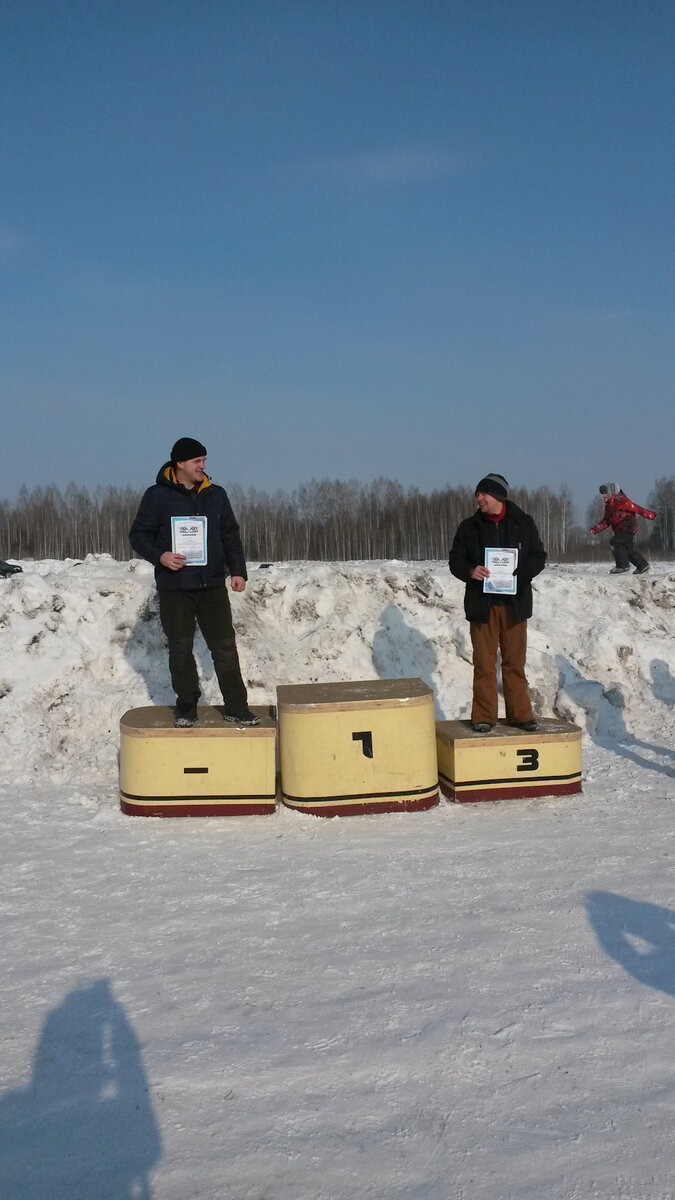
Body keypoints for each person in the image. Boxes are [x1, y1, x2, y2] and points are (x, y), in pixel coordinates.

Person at [129, 437, 259, 728]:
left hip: (212, 585)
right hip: (174, 587)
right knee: (180, 649)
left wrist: (238, 570)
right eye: (197, 461)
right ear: (180, 464)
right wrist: (160, 556)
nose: (203, 466)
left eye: (204, 461)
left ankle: (237, 707)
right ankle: (187, 707)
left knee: (225, 646)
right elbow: (138, 536)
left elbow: (230, 535)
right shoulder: (157, 496)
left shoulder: (216, 495)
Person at [449, 473, 547, 734]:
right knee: (483, 664)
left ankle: (521, 715)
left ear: (498, 496)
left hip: (515, 605)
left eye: (483, 494)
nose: (478, 498)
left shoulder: (523, 523)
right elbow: (455, 561)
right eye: (477, 495)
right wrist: (470, 571)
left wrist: (522, 573)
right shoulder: (468, 527)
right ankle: (484, 716)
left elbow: (539, 556)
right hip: (482, 606)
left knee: (515, 663)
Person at [589, 483, 656, 574]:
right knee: (627, 549)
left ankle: (622, 565)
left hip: (627, 527)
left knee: (615, 542)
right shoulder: (608, 506)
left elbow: (637, 509)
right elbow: (606, 521)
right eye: (602, 493)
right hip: (618, 530)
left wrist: (652, 515)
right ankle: (642, 565)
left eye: (605, 493)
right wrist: (596, 528)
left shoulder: (622, 501)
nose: (603, 495)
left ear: (612, 492)